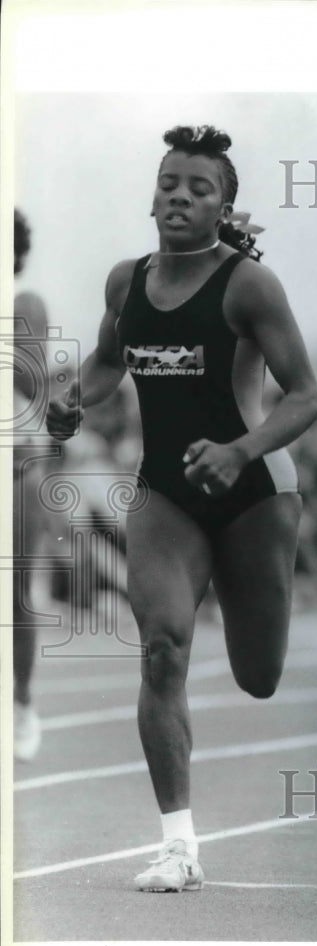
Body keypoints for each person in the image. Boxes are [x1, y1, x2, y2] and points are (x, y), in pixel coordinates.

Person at [47, 125, 317, 892]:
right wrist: (75, 399)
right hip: (166, 490)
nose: (180, 196)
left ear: (224, 207)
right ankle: (179, 846)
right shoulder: (125, 282)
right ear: (154, 191)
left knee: (257, 675)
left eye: (200, 188)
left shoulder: (249, 288)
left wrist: (239, 451)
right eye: (171, 182)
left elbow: (307, 396)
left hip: (256, 493)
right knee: (162, 647)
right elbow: (109, 361)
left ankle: (259, 592)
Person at [13, 208, 51, 761]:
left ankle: (20, 701)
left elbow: (30, 377)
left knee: (15, 591)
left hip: (13, 456)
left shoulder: (24, 305)